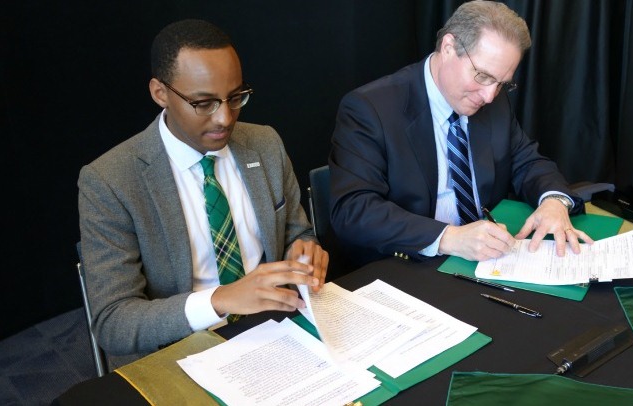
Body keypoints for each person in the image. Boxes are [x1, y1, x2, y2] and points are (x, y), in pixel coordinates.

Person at [78, 19, 327, 365]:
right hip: (185, 349)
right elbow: (114, 323)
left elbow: (297, 232)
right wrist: (221, 300)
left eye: (236, 97)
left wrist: (306, 250)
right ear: (159, 93)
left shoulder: (265, 143)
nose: (225, 118)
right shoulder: (110, 181)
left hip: (277, 330)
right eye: (204, 103)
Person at [329, 0, 592, 266]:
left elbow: (528, 161)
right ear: (448, 47)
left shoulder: (492, 101)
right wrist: (448, 238)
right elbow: (353, 210)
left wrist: (554, 202)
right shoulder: (370, 109)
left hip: (485, 260)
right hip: (407, 264)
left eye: (502, 84)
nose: (490, 96)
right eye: (482, 76)